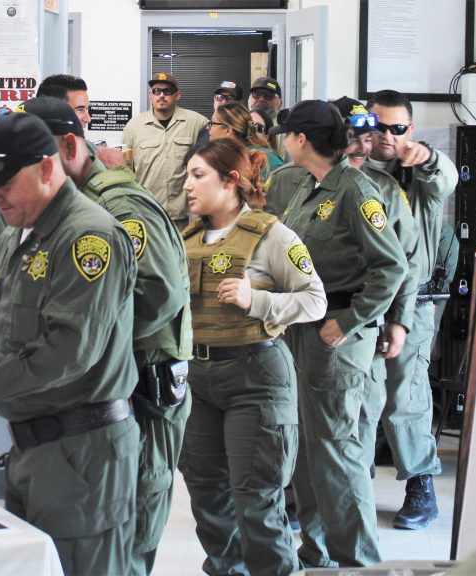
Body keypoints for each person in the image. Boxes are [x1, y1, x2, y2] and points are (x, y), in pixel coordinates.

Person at [0, 112, 140, 576]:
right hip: (32, 448)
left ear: (45, 168)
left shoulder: (87, 237)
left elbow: (68, 353)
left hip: (82, 456)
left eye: (3, 183)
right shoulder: (19, 233)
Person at [22, 96, 191, 574]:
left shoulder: (118, 206)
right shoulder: (70, 208)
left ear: (70, 146)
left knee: (128, 529)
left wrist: (88, 345)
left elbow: (160, 292)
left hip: (142, 390)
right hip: (101, 394)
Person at [180, 137, 325, 576]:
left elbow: (315, 300)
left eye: (198, 175)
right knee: (207, 497)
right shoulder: (186, 236)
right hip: (196, 377)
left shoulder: (272, 235)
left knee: (256, 500)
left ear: (232, 181)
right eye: (187, 174)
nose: (187, 184)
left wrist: (257, 301)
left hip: (256, 377)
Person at [273, 100, 407, 568]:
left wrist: (350, 321)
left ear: (301, 140)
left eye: (285, 133)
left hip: (337, 334)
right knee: (310, 450)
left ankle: (358, 559)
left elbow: (391, 267)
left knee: (336, 448)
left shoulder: (356, 190)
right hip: (303, 331)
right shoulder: (308, 188)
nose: (281, 140)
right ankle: (319, 548)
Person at [367, 88, 459, 530]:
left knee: (407, 392)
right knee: (356, 395)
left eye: (397, 128)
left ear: (410, 128)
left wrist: (421, 156)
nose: (388, 135)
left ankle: (420, 484)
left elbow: (445, 179)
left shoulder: (422, 170)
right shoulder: (357, 168)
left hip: (413, 300)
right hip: (361, 300)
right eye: (378, 126)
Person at [331, 96, 421, 482]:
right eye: (351, 137)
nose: (361, 147)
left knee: (362, 415)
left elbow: (408, 259)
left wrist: (399, 321)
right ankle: (302, 501)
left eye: (368, 138)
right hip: (304, 322)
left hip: (364, 320)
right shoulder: (295, 182)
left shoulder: (382, 188)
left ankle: (354, 496)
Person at [123, 72, 208, 230]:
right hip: (147, 215)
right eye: (156, 91)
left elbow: (209, 167)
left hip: (184, 217)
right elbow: (125, 171)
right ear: (150, 95)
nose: (161, 95)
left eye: (167, 91)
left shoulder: (197, 123)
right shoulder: (134, 127)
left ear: (178, 95)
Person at [207, 103, 284, 178]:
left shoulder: (267, 160)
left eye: (212, 123)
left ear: (228, 130)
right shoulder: (228, 158)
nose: (208, 127)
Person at [195, 80, 244, 148]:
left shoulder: (242, 131)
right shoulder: (204, 130)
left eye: (229, 98)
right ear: (214, 98)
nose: (223, 101)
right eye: (219, 97)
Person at [248, 77, 286, 158]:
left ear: (280, 102)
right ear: (249, 99)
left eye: (268, 96)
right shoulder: (239, 122)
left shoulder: (285, 131)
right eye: (256, 94)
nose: (261, 99)